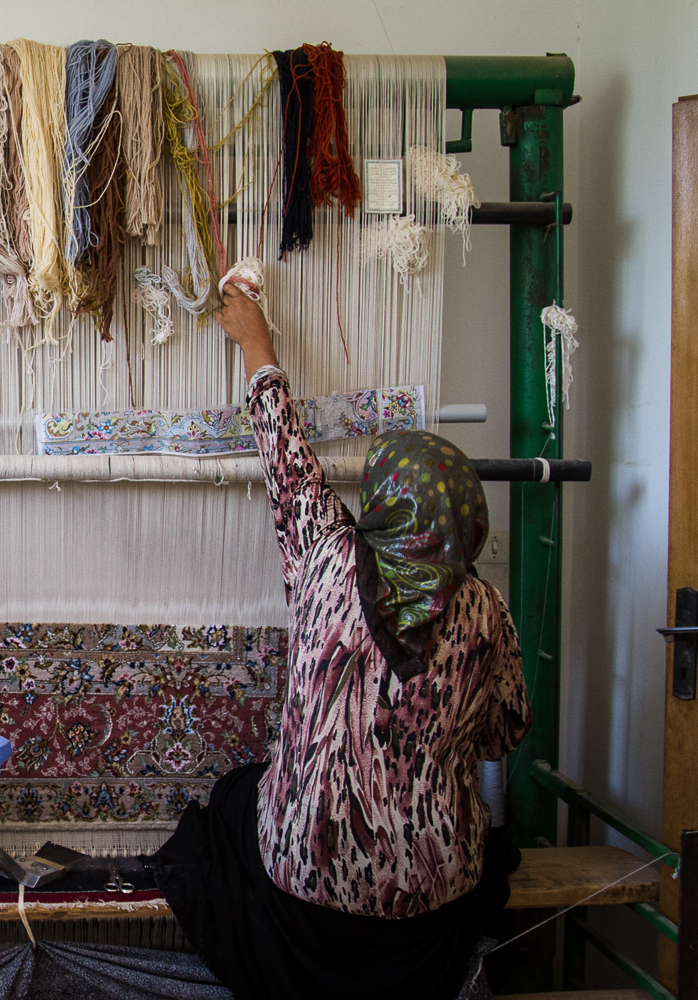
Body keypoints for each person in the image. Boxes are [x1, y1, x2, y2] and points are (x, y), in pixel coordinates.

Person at [154, 286, 530, 1000]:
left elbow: (285, 458)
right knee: (493, 847)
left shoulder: (328, 558)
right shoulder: (488, 613)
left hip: (305, 893)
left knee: (235, 796)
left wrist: (256, 344)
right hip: (432, 903)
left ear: (384, 503)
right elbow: (501, 736)